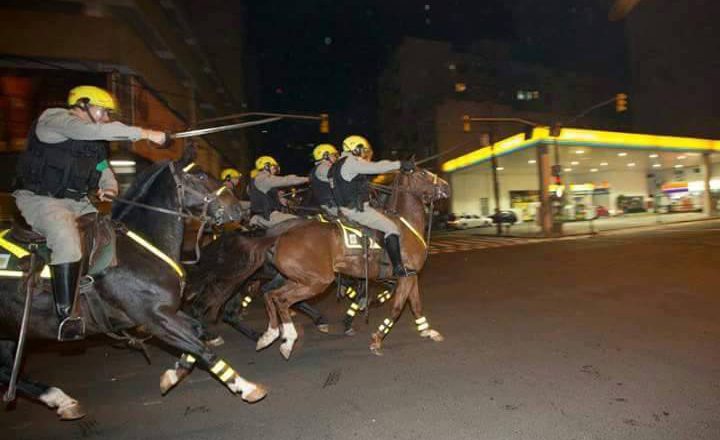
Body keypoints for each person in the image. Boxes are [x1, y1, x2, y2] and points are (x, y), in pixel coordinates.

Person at [14, 85, 167, 341]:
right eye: (103, 112)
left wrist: (109, 185)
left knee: (112, 234)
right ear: (82, 105)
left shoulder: (93, 141)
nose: (107, 118)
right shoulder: (54, 119)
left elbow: (101, 165)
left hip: (79, 201)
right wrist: (147, 133)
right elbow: (91, 130)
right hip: (42, 200)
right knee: (67, 238)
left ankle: (103, 292)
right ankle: (65, 315)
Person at [328, 135, 416, 277]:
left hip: (345, 208)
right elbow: (375, 167)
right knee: (391, 228)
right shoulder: (351, 162)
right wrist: (400, 164)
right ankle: (398, 268)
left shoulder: (336, 165)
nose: (364, 153)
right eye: (362, 150)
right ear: (355, 149)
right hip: (357, 211)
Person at [248, 155, 308, 228]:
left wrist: (279, 200)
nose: (275, 170)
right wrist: (307, 179)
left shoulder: (258, 180)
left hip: (263, 216)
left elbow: (263, 197)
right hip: (268, 217)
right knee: (302, 222)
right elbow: (286, 180)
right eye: (274, 167)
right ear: (266, 166)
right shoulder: (262, 179)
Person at [309, 143, 339, 216]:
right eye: (333, 155)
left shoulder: (322, 167)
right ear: (326, 156)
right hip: (332, 207)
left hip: (332, 204)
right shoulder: (322, 168)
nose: (336, 157)